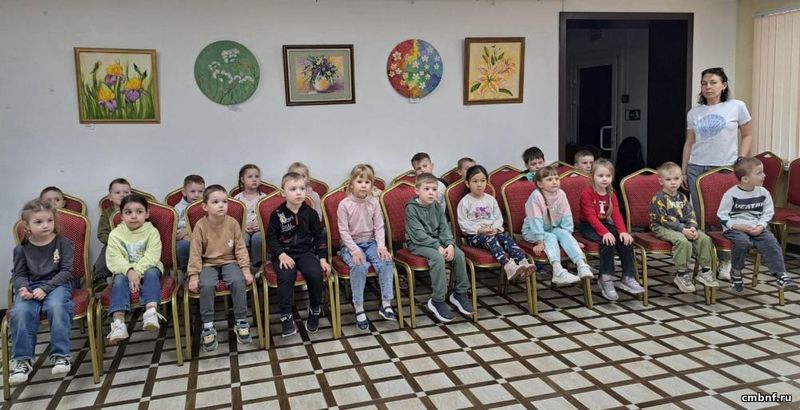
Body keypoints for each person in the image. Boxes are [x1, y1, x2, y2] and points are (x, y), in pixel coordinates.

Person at [681, 67, 752, 281]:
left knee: (724, 217)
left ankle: (725, 261)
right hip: (697, 167)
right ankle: (703, 262)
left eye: (713, 82)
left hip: (724, 168)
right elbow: (689, 142)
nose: (708, 87)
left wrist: (740, 159)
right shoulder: (694, 112)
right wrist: (683, 171)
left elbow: (748, 135)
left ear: (724, 85)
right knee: (699, 216)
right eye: (704, 83)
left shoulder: (736, 106)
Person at [9, 200, 74, 384]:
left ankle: (61, 355)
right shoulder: (21, 249)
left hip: (57, 284)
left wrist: (45, 289)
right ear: (26, 226)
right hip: (31, 286)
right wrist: (23, 288)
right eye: (38, 222)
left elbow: (66, 272)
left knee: (56, 306)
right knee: (20, 311)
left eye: (49, 220)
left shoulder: (63, 243)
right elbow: (19, 275)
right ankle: (22, 360)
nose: (45, 225)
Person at [187, 185, 254, 351]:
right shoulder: (200, 226)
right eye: (215, 202)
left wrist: (245, 269)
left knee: (238, 281)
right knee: (207, 285)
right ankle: (208, 325)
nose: (221, 205)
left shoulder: (232, 223)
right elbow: (195, 252)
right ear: (205, 206)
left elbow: (240, 248)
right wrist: (194, 275)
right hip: (208, 263)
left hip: (229, 261)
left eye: (224, 201)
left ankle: (241, 320)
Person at [718, 157, 796, 292]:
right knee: (743, 243)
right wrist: (737, 226)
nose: (764, 175)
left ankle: (781, 275)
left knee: (771, 242)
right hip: (735, 228)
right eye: (759, 173)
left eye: (763, 172)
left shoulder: (764, 193)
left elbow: (768, 213)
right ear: (745, 179)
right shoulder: (731, 194)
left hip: (757, 227)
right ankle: (736, 272)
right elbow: (722, 215)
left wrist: (761, 226)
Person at [267, 172, 330, 337]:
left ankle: (314, 308)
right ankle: (286, 315)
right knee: (286, 275)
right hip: (284, 254)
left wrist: (323, 259)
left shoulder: (311, 214)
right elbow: (271, 239)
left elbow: (319, 237)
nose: (298, 192)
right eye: (293, 189)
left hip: (305, 252)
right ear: (283, 193)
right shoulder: (277, 214)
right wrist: (281, 254)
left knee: (315, 273)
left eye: (302, 188)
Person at [406, 173, 473, 322]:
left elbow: (444, 228)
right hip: (418, 243)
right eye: (426, 189)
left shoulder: (436, 205)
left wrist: (449, 244)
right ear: (417, 190)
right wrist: (437, 246)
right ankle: (437, 300)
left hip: (437, 241)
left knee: (459, 254)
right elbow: (418, 234)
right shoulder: (411, 208)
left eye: (434, 189)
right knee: (437, 258)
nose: (431, 192)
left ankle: (460, 293)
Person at [337, 164, 397, 330]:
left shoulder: (374, 202)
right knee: (359, 265)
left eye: (367, 182)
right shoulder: (344, 204)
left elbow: (379, 227)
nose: (363, 185)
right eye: (359, 181)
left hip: (370, 242)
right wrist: (355, 250)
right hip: (350, 245)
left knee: (386, 261)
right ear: (351, 184)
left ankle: (386, 303)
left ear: (371, 185)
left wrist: (381, 246)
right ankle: (359, 308)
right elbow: (343, 232)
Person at [579, 159, 643, 300]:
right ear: (592, 177)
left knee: (625, 240)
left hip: (604, 224)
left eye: (608, 176)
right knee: (607, 241)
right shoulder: (587, 194)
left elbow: (616, 215)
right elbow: (591, 217)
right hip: (588, 226)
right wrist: (605, 233)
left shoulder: (611, 194)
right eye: (600, 176)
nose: (604, 179)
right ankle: (605, 278)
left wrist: (623, 232)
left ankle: (628, 276)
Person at [648, 162, 717, 293]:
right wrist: (683, 230)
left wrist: (692, 227)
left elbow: (689, 214)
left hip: (683, 227)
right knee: (683, 241)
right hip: (662, 227)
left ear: (681, 179)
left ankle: (705, 270)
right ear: (661, 181)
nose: (673, 182)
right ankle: (681, 274)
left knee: (704, 238)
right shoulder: (658, 198)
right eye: (668, 179)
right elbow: (664, 219)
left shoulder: (682, 197)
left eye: (676, 179)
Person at [105, 194, 164, 343]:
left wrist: (136, 271)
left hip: (149, 267)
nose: (134, 216)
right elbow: (114, 258)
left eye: (139, 211)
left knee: (152, 273)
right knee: (118, 280)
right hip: (125, 272)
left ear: (147, 213)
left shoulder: (152, 232)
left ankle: (150, 311)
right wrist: (129, 271)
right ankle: (118, 322)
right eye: (128, 212)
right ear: (121, 216)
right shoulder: (115, 234)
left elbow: (152, 256)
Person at [458, 165, 534, 280]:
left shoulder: (491, 199)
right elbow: (463, 224)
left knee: (506, 239)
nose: (479, 184)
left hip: (492, 232)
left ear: (487, 182)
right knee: (491, 240)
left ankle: (523, 262)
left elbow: (498, 218)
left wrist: (495, 228)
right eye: (475, 181)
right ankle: (508, 266)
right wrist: (480, 230)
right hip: (474, 236)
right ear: (468, 183)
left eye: (482, 181)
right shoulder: (465, 202)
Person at [522, 165, 594, 284]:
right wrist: (540, 240)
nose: (554, 182)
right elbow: (535, 220)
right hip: (532, 231)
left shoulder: (561, 194)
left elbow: (566, 215)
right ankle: (557, 271)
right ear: (540, 184)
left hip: (552, 228)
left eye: (556, 178)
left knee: (563, 234)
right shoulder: (536, 196)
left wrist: (569, 238)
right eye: (549, 179)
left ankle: (582, 265)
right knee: (550, 237)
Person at [94, 178, 132, 287]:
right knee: (107, 249)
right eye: (117, 192)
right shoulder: (107, 214)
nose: (122, 195)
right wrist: (115, 241)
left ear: (131, 195)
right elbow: (102, 234)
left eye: (126, 192)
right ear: (110, 197)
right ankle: (99, 278)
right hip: (114, 244)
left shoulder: (136, 211)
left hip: (134, 243)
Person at [233, 164, 265, 268]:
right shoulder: (236, 199)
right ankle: (244, 264)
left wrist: (260, 226)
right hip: (243, 229)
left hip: (259, 229)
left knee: (258, 238)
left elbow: (268, 218)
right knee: (243, 238)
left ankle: (257, 265)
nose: (254, 179)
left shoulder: (264, 198)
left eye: (257, 176)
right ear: (242, 179)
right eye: (250, 177)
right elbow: (233, 219)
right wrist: (243, 227)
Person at [174, 174, 205, 272]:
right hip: (183, 237)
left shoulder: (206, 206)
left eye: (200, 191)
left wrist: (189, 230)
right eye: (192, 191)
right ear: (184, 192)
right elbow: (174, 225)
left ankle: (205, 270)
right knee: (183, 246)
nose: (196, 195)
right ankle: (187, 272)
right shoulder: (178, 207)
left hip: (202, 234)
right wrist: (183, 234)